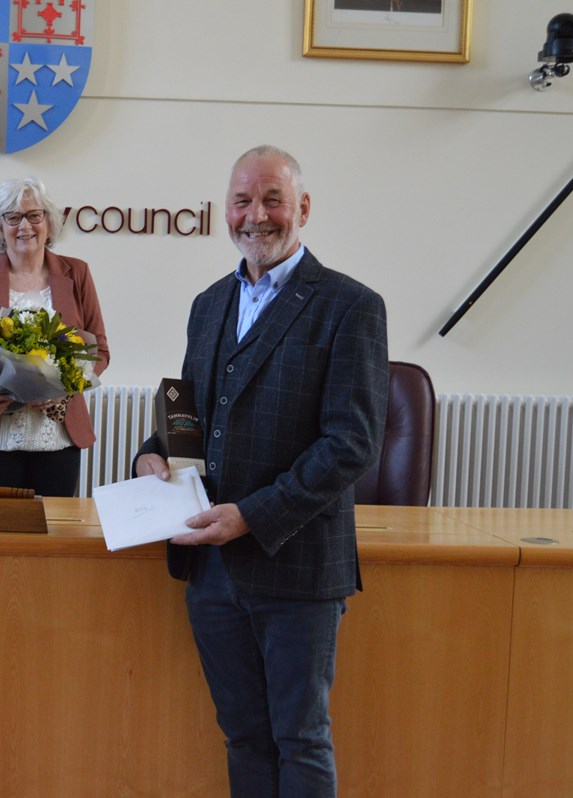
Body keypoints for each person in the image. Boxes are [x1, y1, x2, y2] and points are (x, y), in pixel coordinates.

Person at [134, 145, 388, 796]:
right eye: (243, 201)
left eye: (273, 199)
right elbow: (186, 412)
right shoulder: (208, 302)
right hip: (212, 571)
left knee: (300, 740)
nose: (257, 216)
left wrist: (252, 515)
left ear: (303, 208)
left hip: (297, 566)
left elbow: (352, 442)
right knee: (243, 736)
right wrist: (153, 451)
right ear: (227, 210)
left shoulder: (351, 306)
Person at [0, 176, 109, 497]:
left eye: (33, 215)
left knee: (54, 536)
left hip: (58, 437)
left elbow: (100, 351)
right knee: (0, 538)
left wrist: (66, 388)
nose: (24, 225)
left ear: (49, 223)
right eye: (12, 217)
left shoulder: (76, 273)